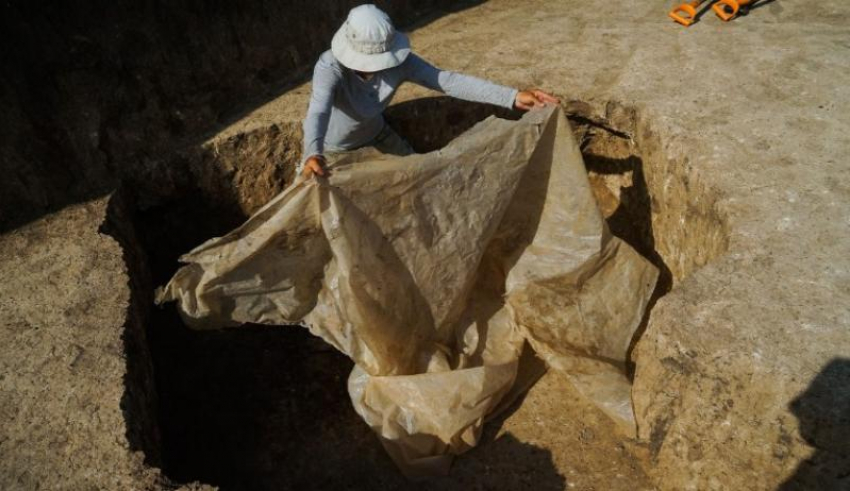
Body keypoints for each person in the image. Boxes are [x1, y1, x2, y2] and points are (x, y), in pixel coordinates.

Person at [299, 4, 559, 177]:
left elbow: (448, 81)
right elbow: (318, 110)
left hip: (379, 137)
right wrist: (313, 153)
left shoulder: (400, 63)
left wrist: (511, 96)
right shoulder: (330, 66)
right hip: (332, 150)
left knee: (418, 182)